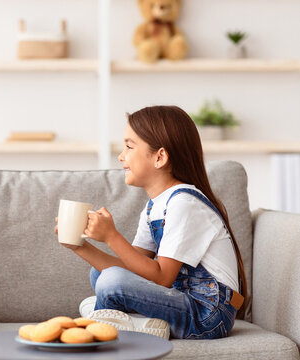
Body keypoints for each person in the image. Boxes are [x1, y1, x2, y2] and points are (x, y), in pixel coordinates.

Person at [57, 105, 247, 340]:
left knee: (110, 280)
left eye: (129, 146)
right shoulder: (154, 207)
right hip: (182, 299)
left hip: (208, 314)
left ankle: (114, 320)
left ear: (160, 157)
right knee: (101, 275)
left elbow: (161, 278)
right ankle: (136, 322)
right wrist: (78, 246)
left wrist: (111, 236)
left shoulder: (184, 203)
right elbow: (133, 267)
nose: (121, 156)